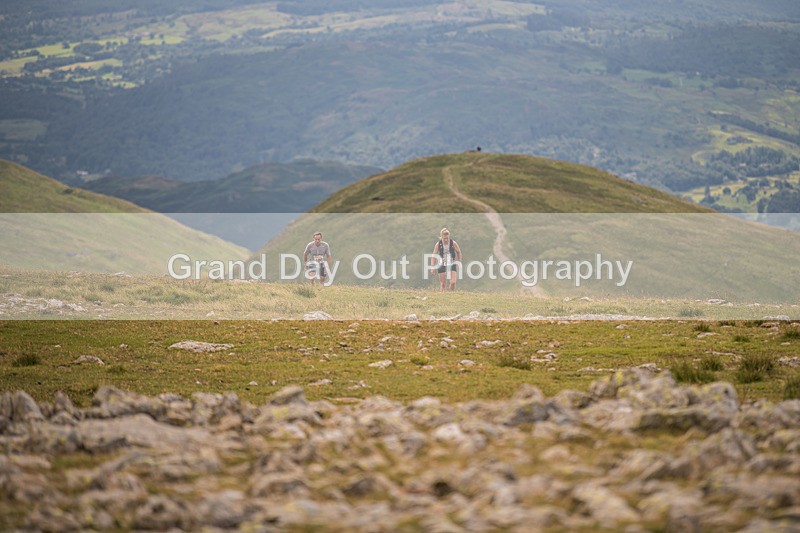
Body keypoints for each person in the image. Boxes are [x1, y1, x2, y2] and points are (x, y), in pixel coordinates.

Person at [430, 228, 462, 292]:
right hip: (441, 263)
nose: (446, 240)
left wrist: (459, 261)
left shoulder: (453, 243)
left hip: (452, 262)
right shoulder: (438, 244)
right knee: (443, 284)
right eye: (444, 238)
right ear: (441, 237)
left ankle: (450, 294)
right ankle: (442, 297)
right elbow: (433, 256)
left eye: (447, 238)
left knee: (453, 282)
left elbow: (459, 252)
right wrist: (432, 267)